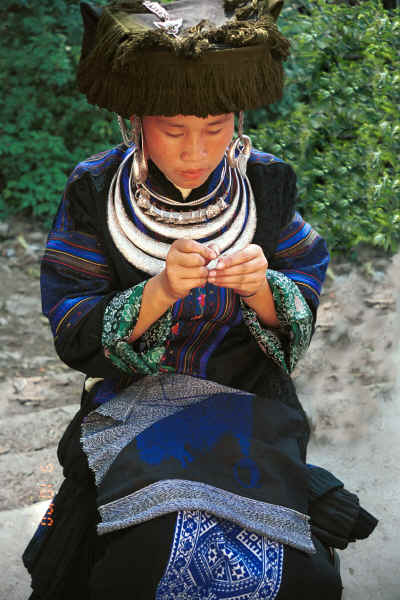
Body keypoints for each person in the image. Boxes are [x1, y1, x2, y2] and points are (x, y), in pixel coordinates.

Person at [22, 1, 378, 598]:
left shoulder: (267, 184)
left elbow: (304, 288)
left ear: (238, 120)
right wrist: (158, 291)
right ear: (135, 121)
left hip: (250, 403)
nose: (196, 151)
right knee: (144, 554)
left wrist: (262, 288)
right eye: (174, 129)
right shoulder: (92, 190)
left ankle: (290, 484)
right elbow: (72, 324)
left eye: (216, 128)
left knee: (301, 578)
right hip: (132, 408)